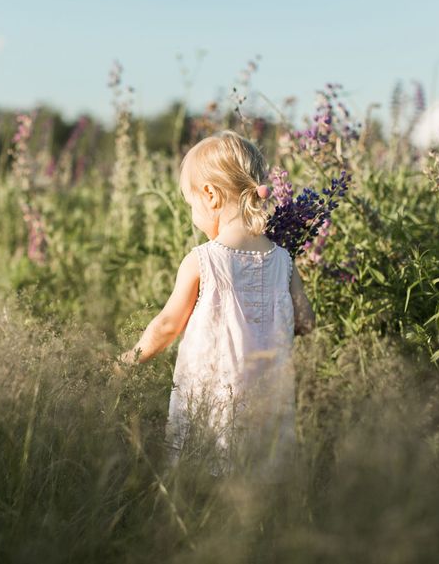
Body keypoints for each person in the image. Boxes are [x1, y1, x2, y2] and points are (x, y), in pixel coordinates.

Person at [118, 130, 315, 482]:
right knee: (261, 481)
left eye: (191, 205)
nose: (193, 214)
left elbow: (167, 325)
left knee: (203, 479)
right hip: (267, 402)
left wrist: (128, 361)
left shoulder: (203, 261)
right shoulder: (284, 261)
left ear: (209, 195)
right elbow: (306, 321)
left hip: (212, 402)